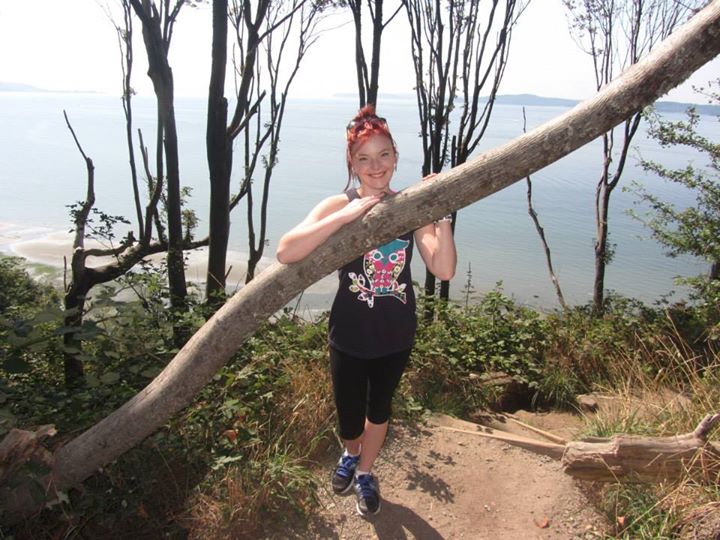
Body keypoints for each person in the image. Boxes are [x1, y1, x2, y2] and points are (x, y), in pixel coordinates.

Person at [276, 105, 456, 516]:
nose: (376, 166)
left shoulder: (410, 207)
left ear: (396, 156)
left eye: (384, 155)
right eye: (364, 158)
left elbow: (443, 268)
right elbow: (287, 250)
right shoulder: (338, 203)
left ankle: (364, 472)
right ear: (352, 164)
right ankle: (350, 452)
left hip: (395, 335)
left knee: (379, 411)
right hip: (349, 335)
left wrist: (442, 211)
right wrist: (347, 214)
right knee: (349, 417)